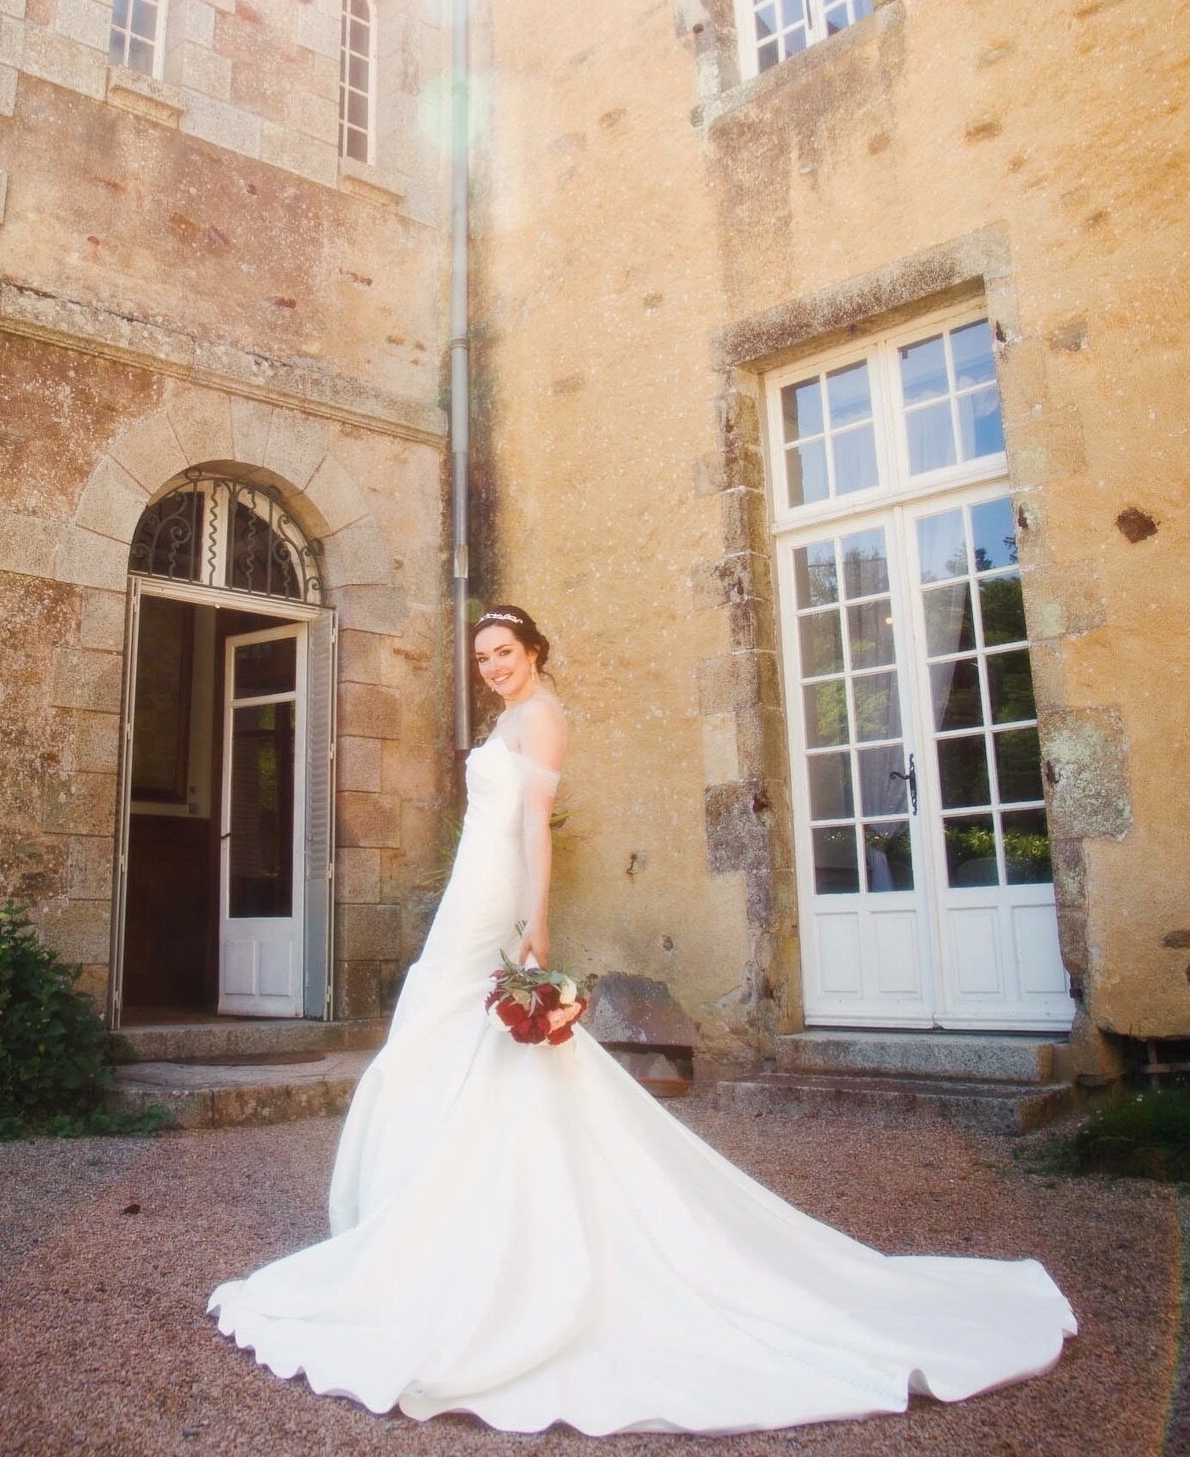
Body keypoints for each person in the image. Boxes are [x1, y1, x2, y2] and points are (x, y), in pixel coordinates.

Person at [208, 605, 1075, 1436]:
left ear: (534, 652)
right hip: (468, 894)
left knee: (472, 1029)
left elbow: (535, 831)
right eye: (482, 658)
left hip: (498, 897)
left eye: (503, 652)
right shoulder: (509, 718)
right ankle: (427, 1218)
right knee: (437, 1029)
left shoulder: (542, 717)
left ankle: (473, 1225)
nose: (492, 667)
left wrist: (537, 924)